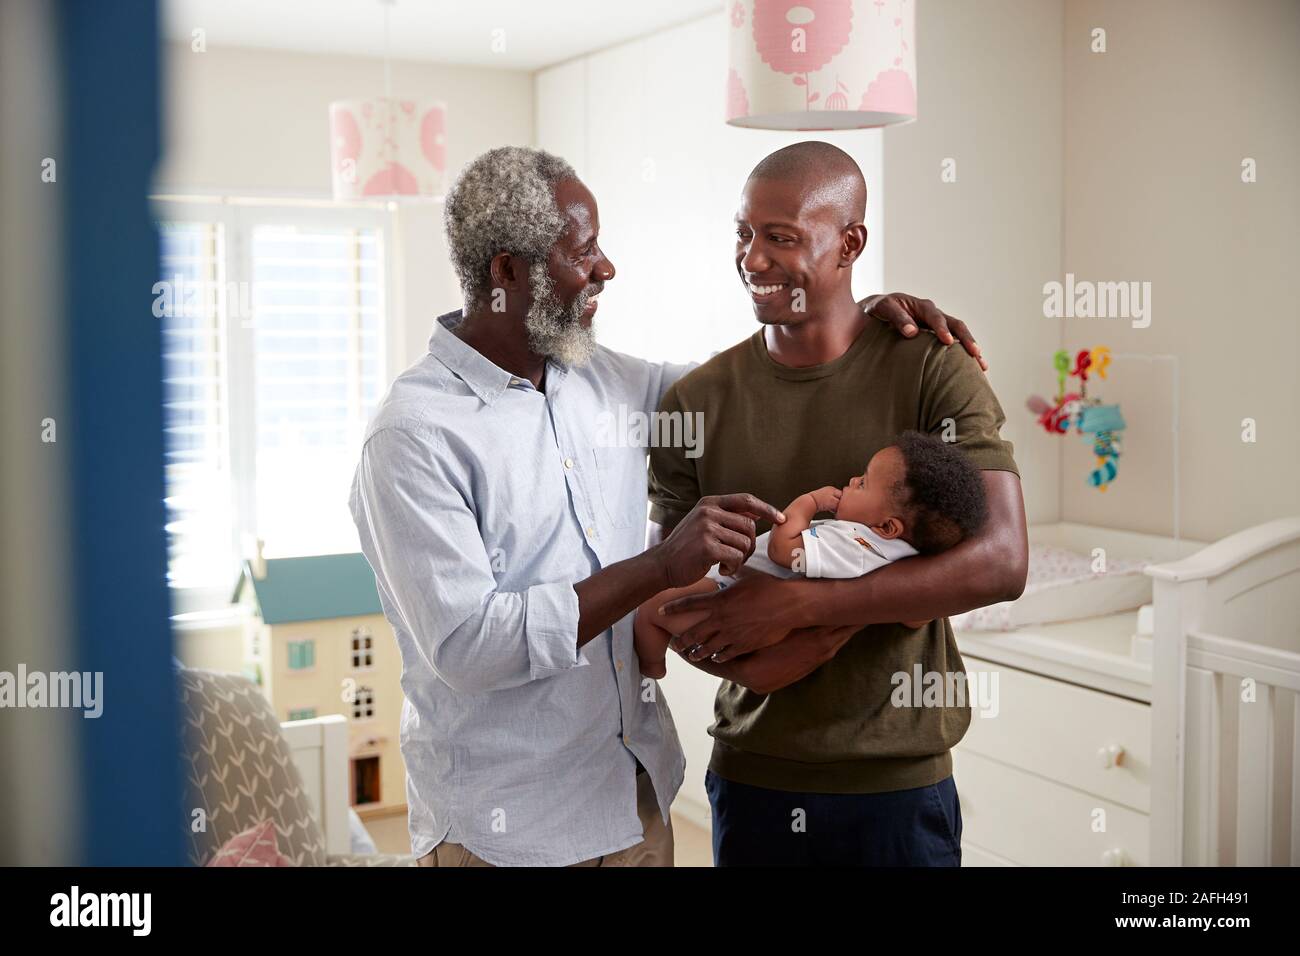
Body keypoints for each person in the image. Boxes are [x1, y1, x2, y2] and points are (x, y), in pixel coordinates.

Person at [349, 144, 989, 867]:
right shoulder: (412, 436)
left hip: (634, 803)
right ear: (506, 272)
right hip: (507, 835)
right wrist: (659, 567)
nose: (605, 268)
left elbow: (774, 378)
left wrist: (859, 315)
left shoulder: (608, 384)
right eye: (583, 252)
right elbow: (472, 648)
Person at [647, 141, 1029, 867]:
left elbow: (1002, 563)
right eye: (744, 233)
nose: (752, 259)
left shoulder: (931, 366)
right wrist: (732, 661)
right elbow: (672, 584)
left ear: (850, 243)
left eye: (781, 236)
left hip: (898, 791)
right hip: (754, 779)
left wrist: (802, 607)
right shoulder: (694, 402)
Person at [633, 431, 988, 680]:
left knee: (652, 608)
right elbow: (914, 616)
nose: (851, 481)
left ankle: (651, 667)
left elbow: (783, 549)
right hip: (776, 628)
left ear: (887, 527)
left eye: (862, 483)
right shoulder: (904, 557)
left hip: (731, 597)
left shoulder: (852, 539)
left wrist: (809, 503)